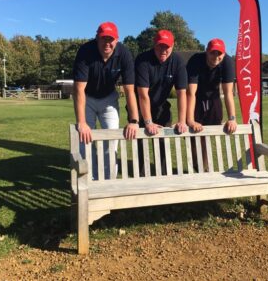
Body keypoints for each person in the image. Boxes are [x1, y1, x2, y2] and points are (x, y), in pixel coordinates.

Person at [73, 21, 139, 179]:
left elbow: (129, 90)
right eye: (103, 38)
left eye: (111, 39)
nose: (107, 43)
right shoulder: (85, 51)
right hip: (87, 98)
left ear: (117, 40)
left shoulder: (124, 54)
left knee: (111, 142)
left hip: (109, 99)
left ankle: (108, 182)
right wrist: (81, 122)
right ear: (97, 38)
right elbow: (79, 89)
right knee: (85, 142)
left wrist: (134, 120)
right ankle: (89, 182)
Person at [135, 29, 188, 174]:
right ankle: (141, 177)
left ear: (173, 46)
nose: (163, 50)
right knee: (142, 142)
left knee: (163, 144)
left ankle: (163, 176)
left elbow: (182, 93)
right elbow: (142, 94)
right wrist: (148, 122)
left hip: (161, 106)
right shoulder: (143, 60)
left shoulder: (178, 62)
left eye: (167, 46)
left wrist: (182, 120)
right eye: (160, 46)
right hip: (140, 106)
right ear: (154, 45)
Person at [186, 38, 237, 171]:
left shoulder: (228, 63)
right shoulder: (195, 61)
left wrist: (232, 118)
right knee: (195, 133)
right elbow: (191, 93)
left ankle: (205, 167)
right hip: (197, 97)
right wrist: (190, 121)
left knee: (209, 133)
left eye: (219, 53)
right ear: (206, 52)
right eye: (212, 53)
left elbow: (228, 93)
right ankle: (197, 167)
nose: (216, 56)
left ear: (224, 54)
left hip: (214, 97)